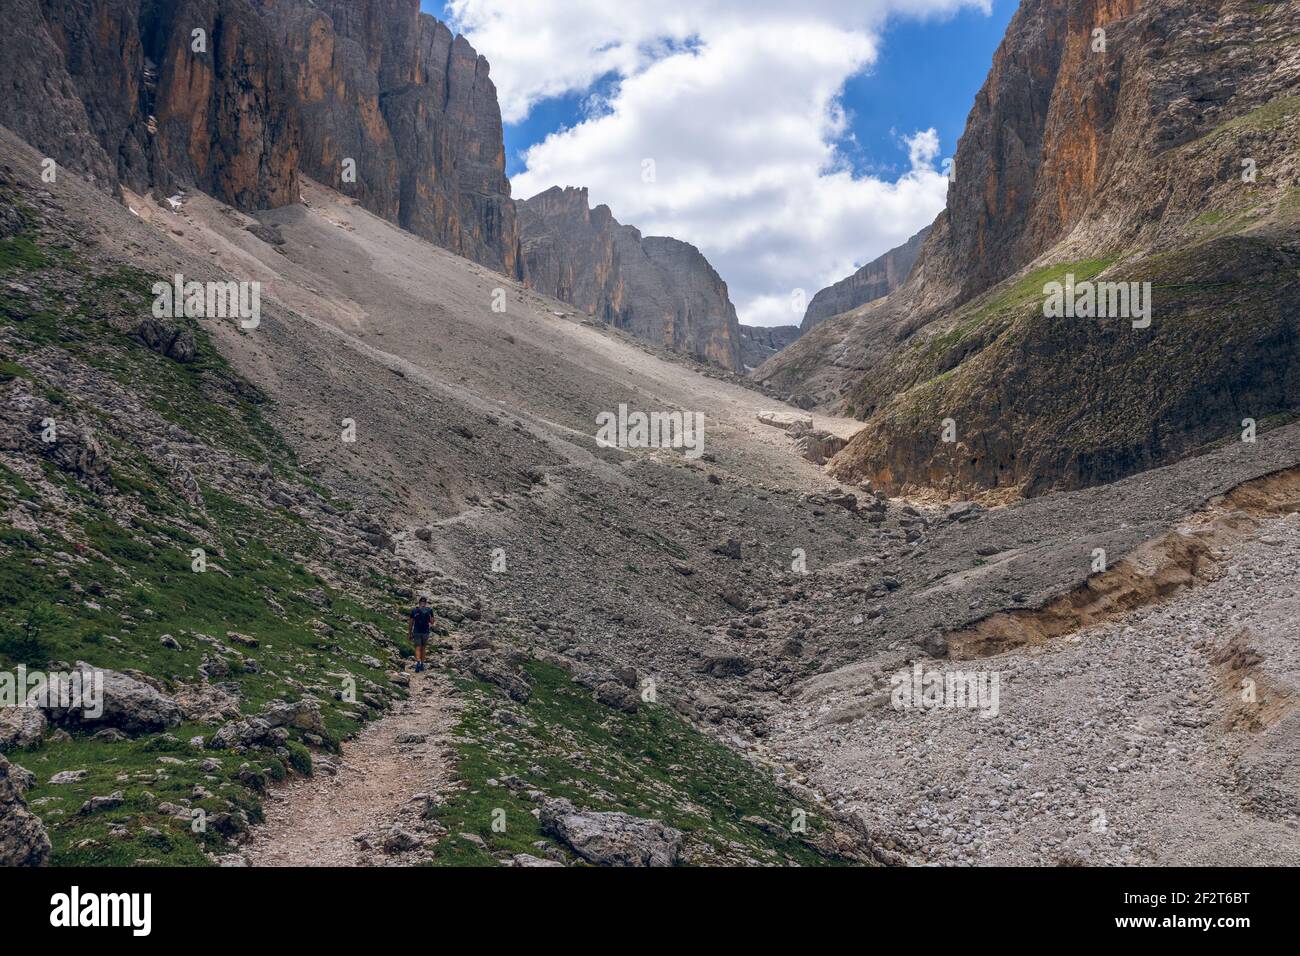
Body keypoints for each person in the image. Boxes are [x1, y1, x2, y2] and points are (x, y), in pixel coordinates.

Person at [408, 596, 435, 672]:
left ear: (419, 602)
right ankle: (422, 664)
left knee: (417, 647)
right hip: (425, 632)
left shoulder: (414, 610)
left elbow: (411, 623)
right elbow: (432, 622)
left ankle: (418, 662)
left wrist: (409, 633)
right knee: (423, 647)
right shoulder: (429, 610)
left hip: (416, 631)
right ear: (425, 603)